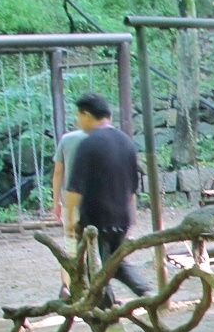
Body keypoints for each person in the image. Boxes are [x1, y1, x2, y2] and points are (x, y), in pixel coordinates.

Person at [63, 93, 151, 301]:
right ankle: (146, 291)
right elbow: (132, 189)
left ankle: (107, 308)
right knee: (115, 262)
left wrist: (70, 219)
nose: (78, 121)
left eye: (79, 116)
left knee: (94, 268)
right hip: (121, 216)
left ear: (86, 114)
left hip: (95, 218)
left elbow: (74, 189)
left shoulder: (88, 144)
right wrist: (130, 217)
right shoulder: (126, 142)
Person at [52, 124, 87, 232]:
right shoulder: (109, 139)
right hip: (102, 201)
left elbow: (58, 173)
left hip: (71, 199)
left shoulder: (67, 139)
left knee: (73, 239)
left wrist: (57, 201)